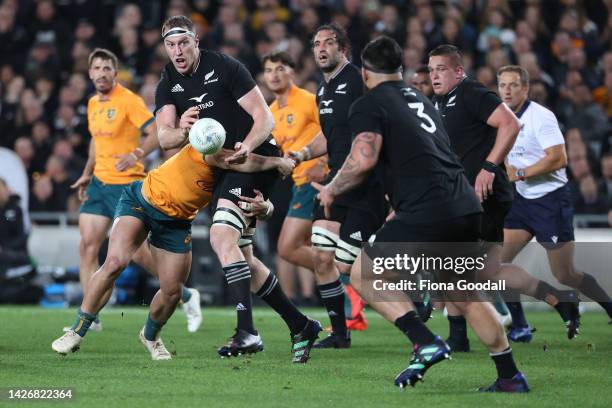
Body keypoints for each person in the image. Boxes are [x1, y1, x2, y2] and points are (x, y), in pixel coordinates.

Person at [315, 36, 529, 392]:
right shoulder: (425, 102)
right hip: (464, 206)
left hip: (428, 210)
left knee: (363, 274)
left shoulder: (369, 104)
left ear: (365, 73)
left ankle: (424, 339)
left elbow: (364, 158)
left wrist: (332, 188)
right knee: (465, 294)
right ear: (400, 70)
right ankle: (510, 375)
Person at [51, 143, 322, 362]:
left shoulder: (235, 173)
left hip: (177, 223)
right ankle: (77, 330)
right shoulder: (212, 141)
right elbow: (242, 161)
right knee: (115, 262)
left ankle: (150, 337)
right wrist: (277, 162)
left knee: (172, 291)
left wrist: (269, 208)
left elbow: (253, 197)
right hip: (140, 201)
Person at [154, 15, 321, 358]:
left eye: (183, 42)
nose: (178, 51)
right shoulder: (167, 82)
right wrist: (183, 130)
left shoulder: (225, 67)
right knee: (245, 258)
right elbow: (163, 137)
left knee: (220, 237)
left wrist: (247, 142)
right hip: (225, 168)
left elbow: (266, 118)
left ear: (196, 40)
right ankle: (300, 324)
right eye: (171, 45)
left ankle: (247, 332)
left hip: (255, 154)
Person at [71, 48, 202, 333]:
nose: (102, 73)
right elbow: (96, 141)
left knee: (138, 255)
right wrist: (86, 173)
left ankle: (185, 293)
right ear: (90, 73)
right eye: (97, 68)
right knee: (86, 247)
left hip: (126, 185)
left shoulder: (128, 101)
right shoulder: (93, 103)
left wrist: (138, 153)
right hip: (98, 184)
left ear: (115, 73)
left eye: (108, 68)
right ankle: (90, 314)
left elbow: (156, 130)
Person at [289, 23, 386, 348]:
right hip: (335, 180)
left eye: (328, 43)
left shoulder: (359, 80)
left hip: (363, 181)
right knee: (321, 256)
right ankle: (340, 333)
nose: (321, 48)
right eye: (316, 43)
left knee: (345, 263)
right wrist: (302, 152)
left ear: (343, 49)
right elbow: (331, 136)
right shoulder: (323, 89)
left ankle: (414, 291)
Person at [498, 65, 612, 340]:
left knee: (565, 273)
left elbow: (559, 158)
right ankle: (521, 325)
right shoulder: (500, 116)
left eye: (514, 85)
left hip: (551, 201)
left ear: (526, 89)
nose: (508, 90)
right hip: (522, 200)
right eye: (503, 85)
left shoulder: (541, 117)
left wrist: (521, 173)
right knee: (496, 265)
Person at [428, 44, 519, 351]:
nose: (434, 75)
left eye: (441, 69)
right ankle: (461, 336)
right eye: (430, 70)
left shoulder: (472, 93)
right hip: (460, 198)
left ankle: (498, 324)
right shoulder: (438, 103)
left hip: (486, 196)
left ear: (458, 71)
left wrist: (490, 167)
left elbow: (511, 124)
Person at [261, 50, 323, 306]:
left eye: (280, 69)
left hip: (317, 180)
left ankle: (343, 280)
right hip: (292, 183)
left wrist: (326, 163)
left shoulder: (308, 100)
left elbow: (334, 131)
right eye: (268, 70)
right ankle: (344, 287)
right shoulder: (270, 112)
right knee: (291, 246)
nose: (273, 75)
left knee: (291, 245)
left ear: (292, 72)